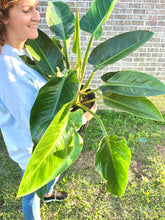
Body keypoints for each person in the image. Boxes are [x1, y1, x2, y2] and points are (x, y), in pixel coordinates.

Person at [0, 0, 96, 219]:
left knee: (54, 172)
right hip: (34, 154)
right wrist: (85, 114)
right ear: (3, 17)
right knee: (32, 195)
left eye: (36, 8)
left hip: (51, 148)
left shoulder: (26, 49)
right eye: (26, 11)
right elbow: (45, 131)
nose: (37, 17)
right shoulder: (9, 75)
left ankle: (49, 192)